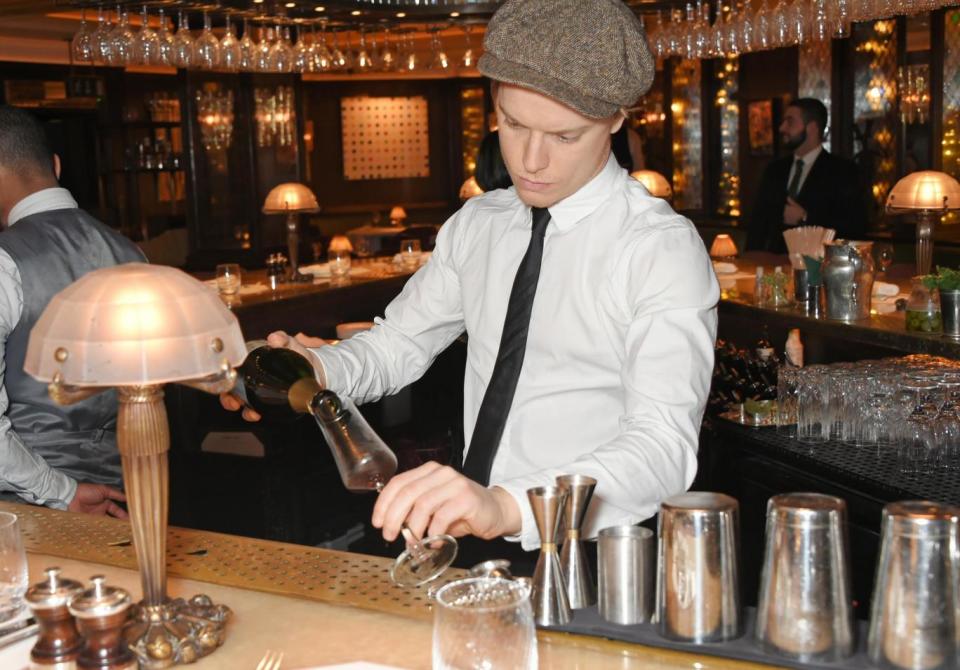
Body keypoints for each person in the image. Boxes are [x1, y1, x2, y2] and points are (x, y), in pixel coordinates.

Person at [224, 0, 718, 563]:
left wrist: (506, 506)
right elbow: (400, 343)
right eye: (513, 124)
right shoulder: (479, 225)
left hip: (593, 547)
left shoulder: (659, 247)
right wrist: (318, 368)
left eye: (563, 136)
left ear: (615, 120)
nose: (531, 160)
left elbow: (662, 447)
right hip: (472, 531)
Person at [0, 106, 145, 517]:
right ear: (56, 166)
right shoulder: (130, 252)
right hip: (122, 488)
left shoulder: (4, 261)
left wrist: (59, 491)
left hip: (30, 505)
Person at [746, 98, 867, 254]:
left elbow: (855, 226)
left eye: (790, 122)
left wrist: (805, 217)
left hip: (818, 268)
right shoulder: (774, 170)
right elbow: (758, 222)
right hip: (774, 267)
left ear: (812, 128)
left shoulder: (842, 171)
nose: (782, 128)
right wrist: (751, 260)